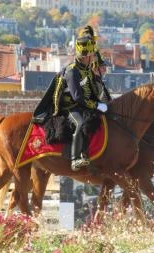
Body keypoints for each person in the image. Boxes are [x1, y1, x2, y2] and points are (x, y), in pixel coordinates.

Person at [32, 25, 108, 171]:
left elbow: (90, 91)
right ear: (86, 56)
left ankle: (90, 154)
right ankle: (75, 159)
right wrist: (96, 106)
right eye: (92, 55)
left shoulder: (86, 69)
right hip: (69, 107)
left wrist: (100, 103)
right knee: (80, 123)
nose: (93, 58)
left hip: (83, 105)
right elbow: (78, 97)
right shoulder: (72, 71)